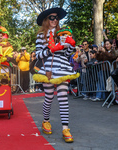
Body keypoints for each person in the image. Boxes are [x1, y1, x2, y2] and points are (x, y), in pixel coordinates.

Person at [33, 8, 80, 143]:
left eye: (56, 18)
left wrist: (70, 45)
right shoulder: (41, 36)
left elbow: (66, 54)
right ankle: (45, 121)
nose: (54, 20)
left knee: (63, 97)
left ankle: (65, 128)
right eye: (51, 18)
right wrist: (51, 48)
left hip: (63, 68)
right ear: (46, 20)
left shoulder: (62, 34)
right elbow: (39, 55)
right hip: (48, 68)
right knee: (48, 97)